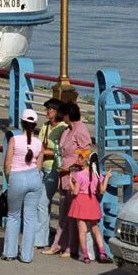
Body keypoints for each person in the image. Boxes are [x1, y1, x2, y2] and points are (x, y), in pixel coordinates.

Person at [43, 101, 93, 258]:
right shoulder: (66, 130)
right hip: (64, 176)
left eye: (63, 114)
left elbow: (85, 154)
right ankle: (59, 244)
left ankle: (69, 246)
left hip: (74, 176)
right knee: (64, 211)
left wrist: (70, 167)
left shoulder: (81, 130)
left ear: (68, 115)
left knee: (72, 213)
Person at [3, 108, 45, 263]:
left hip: (17, 177)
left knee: (13, 215)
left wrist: (10, 179)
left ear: (21, 122)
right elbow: (39, 166)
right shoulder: (39, 143)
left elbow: (7, 164)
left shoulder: (14, 140)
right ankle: (27, 255)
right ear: (34, 125)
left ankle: (10, 252)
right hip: (34, 178)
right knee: (30, 217)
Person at [67, 152, 113, 264]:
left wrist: (70, 182)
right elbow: (102, 190)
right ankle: (102, 253)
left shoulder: (79, 175)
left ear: (85, 160)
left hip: (81, 202)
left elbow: (75, 192)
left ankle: (85, 255)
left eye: (79, 158)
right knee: (95, 229)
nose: (78, 160)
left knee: (82, 231)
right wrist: (106, 177)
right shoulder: (97, 175)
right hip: (92, 201)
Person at [36, 97, 66, 249]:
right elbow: (40, 145)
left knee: (42, 202)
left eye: (50, 109)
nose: (47, 112)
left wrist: (47, 152)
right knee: (40, 202)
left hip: (55, 168)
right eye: (46, 109)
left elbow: (62, 150)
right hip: (43, 166)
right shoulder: (46, 126)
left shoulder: (62, 128)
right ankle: (41, 236)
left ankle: (40, 239)